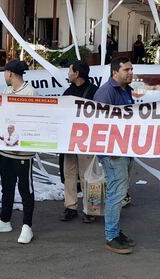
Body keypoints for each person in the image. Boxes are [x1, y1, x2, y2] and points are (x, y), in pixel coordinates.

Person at [0, 60, 36, 245]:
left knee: (25, 188)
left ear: (10, 73)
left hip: (22, 152)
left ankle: (27, 226)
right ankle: (4, 220)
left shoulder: (30, 92)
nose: (3, 76)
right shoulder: (6, 92)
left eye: (4, 73)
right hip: (5, 149)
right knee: (7, 186)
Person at [92, 56, 137, 254]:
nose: (130, 73)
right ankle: (111, 236)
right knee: (115, 193)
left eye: (131, 69)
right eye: (126, 70)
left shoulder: (126, 90)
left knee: (119, 192)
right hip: (113, 152)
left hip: (124, 149)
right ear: (115, 73)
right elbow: (100, 124)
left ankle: (116, 232)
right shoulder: (105, 93)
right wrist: (111, 151)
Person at [59, 60, 98, 223]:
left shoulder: (94, 92)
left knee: (88, 175)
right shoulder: (68, 92)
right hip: (69, 140)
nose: (68, 74)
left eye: (70, 71)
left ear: (77, 74)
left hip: (86, 140)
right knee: (69, 173)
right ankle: (70, 207)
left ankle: (92, 209)